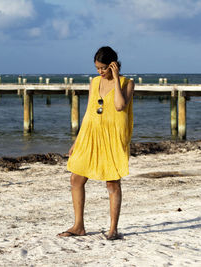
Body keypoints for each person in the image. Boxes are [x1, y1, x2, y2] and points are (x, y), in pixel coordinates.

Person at [58, 46, 134, 240]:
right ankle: (78, 226)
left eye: (103, 68)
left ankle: (113, 229)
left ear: (113, 65)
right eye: (97, 68)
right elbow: (89, 112)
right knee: (76, 179)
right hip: (90, 134)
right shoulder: (94, 82)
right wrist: (78, 140)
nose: (100, 72)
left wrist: (116, 78)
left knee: (112, 183)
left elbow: (119, 106)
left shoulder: (127, 83)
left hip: (113, 137)